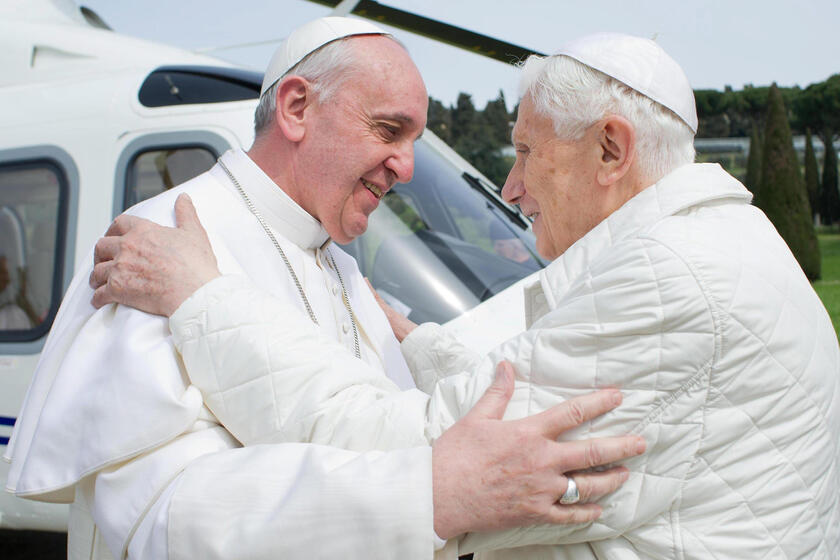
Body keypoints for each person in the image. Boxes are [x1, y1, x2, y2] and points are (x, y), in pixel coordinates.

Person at [89, 32, 840, 558]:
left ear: (611, 150)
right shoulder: (726, 244)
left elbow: (429, 454)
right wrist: (414, 342)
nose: (511, 187)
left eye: (523, 153)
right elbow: (514, 386)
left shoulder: (672, 281)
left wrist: (203, 299)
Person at [4, 18, 644, 560]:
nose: (408, 166)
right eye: (389, 131)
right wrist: (427, 495)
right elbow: (153, 521)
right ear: (297, 107)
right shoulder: (161, 246)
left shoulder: (337, 260)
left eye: (414, 140)